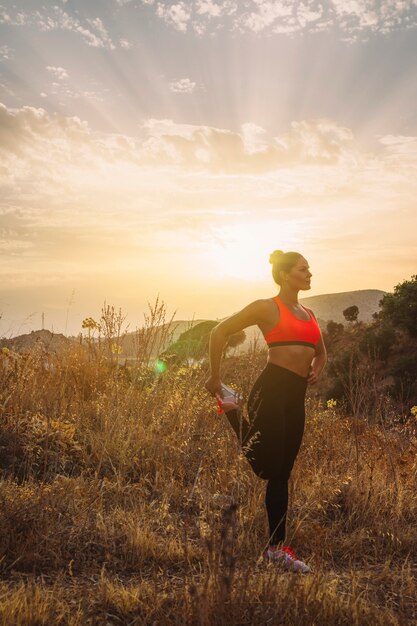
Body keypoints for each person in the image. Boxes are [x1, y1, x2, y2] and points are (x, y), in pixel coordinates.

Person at [204, 250, 327, 573]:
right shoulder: (266, 308)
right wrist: (215, 376)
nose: (310, 273)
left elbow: (321, 352)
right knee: (266, 468)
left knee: (281, 473)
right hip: (271, 391)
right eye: (304, 269)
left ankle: (276, 550)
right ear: (286, 275)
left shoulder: (309, 313)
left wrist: (317, 368)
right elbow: (219, 331)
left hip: (295, 398)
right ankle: (230, 406)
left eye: (309, 268)